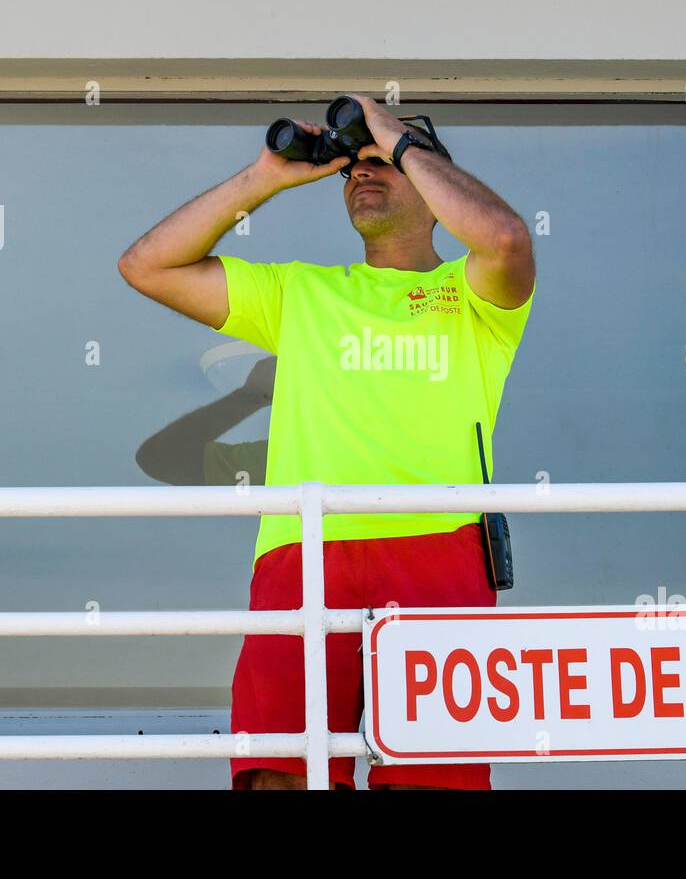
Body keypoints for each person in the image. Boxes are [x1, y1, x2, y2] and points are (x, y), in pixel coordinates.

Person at [117, 93, 536, 789]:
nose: (361, 175)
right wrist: (265, 179)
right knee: (277, 776)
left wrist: (399, 139)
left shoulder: (473, 294)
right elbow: (146, 266)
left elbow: (508, 239)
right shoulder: (302, 293)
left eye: (382, 165)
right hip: (302, 550)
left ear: (433, 183)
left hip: (439, 549)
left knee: (431, 779)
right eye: (350, 169)